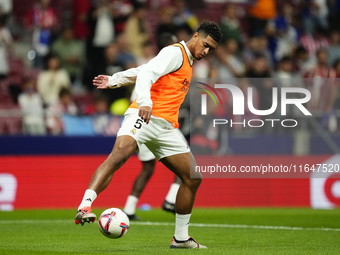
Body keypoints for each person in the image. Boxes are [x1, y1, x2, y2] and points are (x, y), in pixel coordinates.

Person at [75, 21, 222, 249]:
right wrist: (144, 101)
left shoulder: (189, 61)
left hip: (165, 128)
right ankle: (85, 205)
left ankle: (181, 238)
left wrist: (115, 79)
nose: (206, 51)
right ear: (195, 36)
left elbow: (142, 70)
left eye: (210, 49)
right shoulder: (175, 52)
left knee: (192, 178)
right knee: (120, 155)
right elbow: (148, 74)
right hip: (143, 116)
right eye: (205, 45)